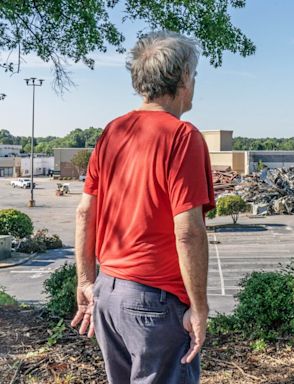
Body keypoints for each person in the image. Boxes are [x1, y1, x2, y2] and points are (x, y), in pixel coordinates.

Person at [71, 31, 215, 384]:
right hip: (155, 306)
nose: (194, 83)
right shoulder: (182, 137)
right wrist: (199, 307)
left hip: (109, 296)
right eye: (194, 76)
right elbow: (189, 231)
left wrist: (87, 281)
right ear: (182, 76)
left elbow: (84, 213)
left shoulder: (112, 132)